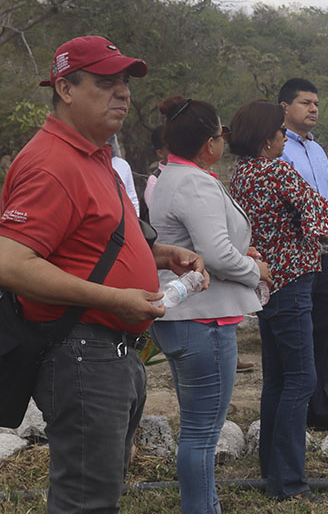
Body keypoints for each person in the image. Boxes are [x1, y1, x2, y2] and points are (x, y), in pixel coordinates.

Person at [0, 35, 206, 513]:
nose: (123, 93)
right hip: (81, 352)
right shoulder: (52, 163)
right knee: (87, 502)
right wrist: (114, 300)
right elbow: (11, 262)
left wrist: (164, 255)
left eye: (125, 83)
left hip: (109, 353)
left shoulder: (94, 156)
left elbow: (87, 243)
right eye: (106, 82)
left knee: (99, 493)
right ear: (65, 89)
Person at [148, 95, 270, 514]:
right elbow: (215, 253)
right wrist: (258, 272)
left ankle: (206, 505)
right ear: (208, 144)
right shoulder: (196, 182)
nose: (223, 140)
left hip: (182, 317)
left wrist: (241, 250)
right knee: (202, 434)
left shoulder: (171, 176)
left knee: (196, 429)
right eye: (221, 133)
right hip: (203, 319)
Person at [228, 99, 328, 503]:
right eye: (279, 132)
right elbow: (321, 217)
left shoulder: (240, 174)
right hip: (292, 282)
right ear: (268, 138)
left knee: (277, 378)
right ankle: (290, 482)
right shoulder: (278, 170)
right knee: (302, 379)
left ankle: (272, 467)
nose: (282, 138)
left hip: (267, 284)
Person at [276, 78, 328, 432]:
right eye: (305, 102)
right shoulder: (279, 151)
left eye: (316, 103)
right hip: (295, 256)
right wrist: (322, 231)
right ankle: (296, 406)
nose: (313, 109)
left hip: (325, 254)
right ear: (285, 108)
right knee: (298, 335)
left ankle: (321, 406)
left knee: (323, 330)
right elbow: (289, 205)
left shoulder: (319, 151)